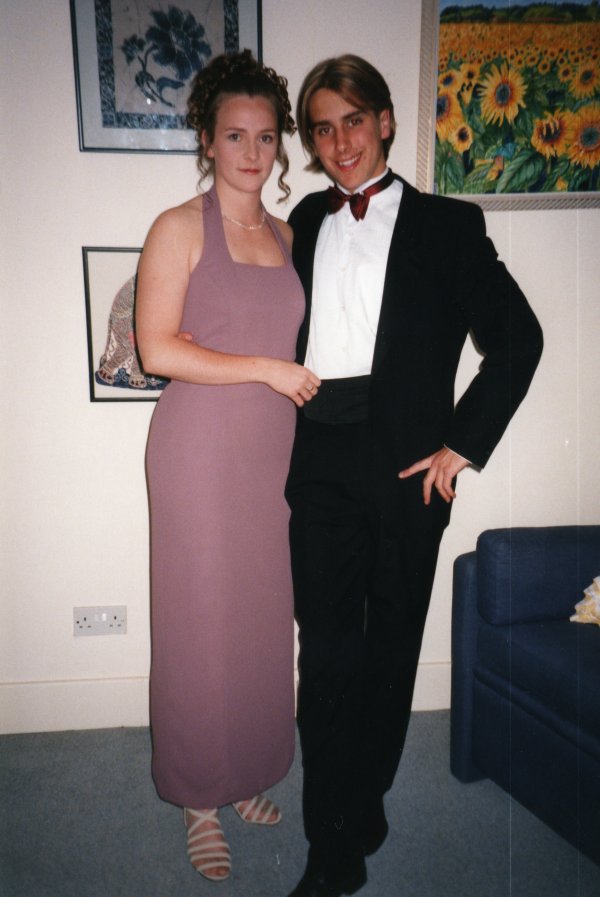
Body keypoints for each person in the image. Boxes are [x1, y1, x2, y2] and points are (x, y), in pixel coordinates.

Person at [284, 54, 543, 897]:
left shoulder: (448, 226)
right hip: (318, 457)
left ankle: (365, 801)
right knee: (327, 657)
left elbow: (519, 339)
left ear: (386, 121)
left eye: (353, 121)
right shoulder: (302, 223)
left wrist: (461, 444)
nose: (339, 143)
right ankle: (332, 845)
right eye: (322, 128)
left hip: (407, 467)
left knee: (389, 650)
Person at [135, 50, 320, 884]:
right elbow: (156, 349)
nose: (252, 151)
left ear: (279, 145)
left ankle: (244, 771)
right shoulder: (177, 227)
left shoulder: (288, 236)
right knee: (198, 624)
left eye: (266, 136)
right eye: (235, 135)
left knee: (259, 619)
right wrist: (266, 369)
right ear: (207, 140)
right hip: (199, 453)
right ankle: (198, 797)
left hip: (271, 455)